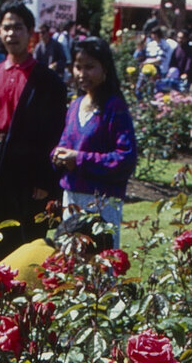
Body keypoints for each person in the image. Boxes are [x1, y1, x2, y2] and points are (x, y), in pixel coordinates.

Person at [0, 0, 67, 260]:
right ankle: (3, 283)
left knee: (31, 233)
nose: (12, 34)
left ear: (30, 32)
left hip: (31, 163)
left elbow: (55, 132)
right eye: (6, 28)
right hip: (0, 159)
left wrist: (45, 179)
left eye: (18, 28)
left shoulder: (46, 81)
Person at [51, 35, 137, 250]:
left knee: (99, 263)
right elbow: (65, 142)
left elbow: (125, 157)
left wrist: (79, 159)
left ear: (105, 68)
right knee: (69, 263)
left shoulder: (114, 107)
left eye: (89, 67)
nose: (82, 73)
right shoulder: (75, 105)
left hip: (101, 202)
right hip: (71, 200)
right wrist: (58, 156)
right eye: (78, 67)